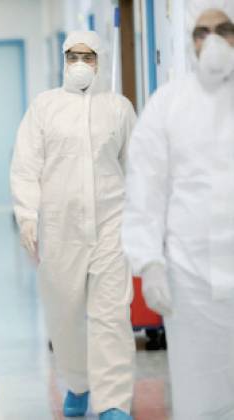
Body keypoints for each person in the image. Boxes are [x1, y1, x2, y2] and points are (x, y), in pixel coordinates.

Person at [10, 31, 136, 420]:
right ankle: (78, 384)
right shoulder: (45, 107)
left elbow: (135, 166)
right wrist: (27, 215)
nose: (80, 63)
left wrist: (142, 220)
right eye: (73, 56)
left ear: (101, 60)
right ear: (64, 60)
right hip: (59, 229)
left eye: (88, 56)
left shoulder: (118, 109)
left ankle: (113, 402)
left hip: (111, 224)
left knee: (111, 316)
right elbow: (26, 165)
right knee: (63, 315)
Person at [122, 1, 234, 418]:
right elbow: (145, 188)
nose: (213, 41)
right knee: (198, 389)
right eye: (202, 32)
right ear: (191, 41)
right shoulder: (168, 104)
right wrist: (149, 262)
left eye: (223, 30)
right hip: (191, 277)